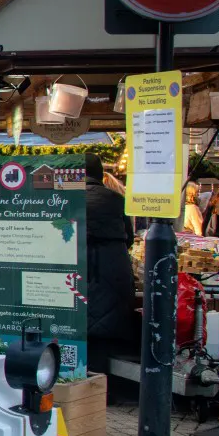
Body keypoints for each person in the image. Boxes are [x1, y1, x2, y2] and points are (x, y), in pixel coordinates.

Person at [83, 155, 136, 375]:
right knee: (101, 336)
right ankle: (102, 390)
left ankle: (78, 388)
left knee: (78, 331)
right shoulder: (116, 199)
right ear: (99, 174)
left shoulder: (66, 199)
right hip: (114, 274)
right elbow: (130, 238)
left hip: (82, 272)